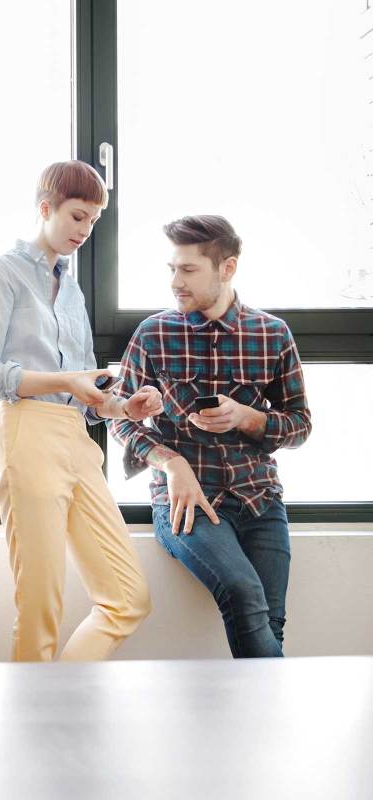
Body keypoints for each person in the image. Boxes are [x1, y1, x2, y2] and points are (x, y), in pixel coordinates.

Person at [0, 160, 159, 662]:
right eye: (76, 216)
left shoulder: (71, 291)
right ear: (45, 208)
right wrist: (64, 381)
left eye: (92, 221)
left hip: (76, 440)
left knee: (127, 598)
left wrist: (124, 406)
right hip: (26, 434)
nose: (84, 230)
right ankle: (35, 729)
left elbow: (86, 392)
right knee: (40, 606)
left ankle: (61, 700)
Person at [110, 215, 311, 658]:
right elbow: (117, 418)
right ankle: (271, 720)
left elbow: (300, 425)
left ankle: (253, 722)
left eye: (188, 270)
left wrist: (248, 417)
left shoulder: (273, 334)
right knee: (243, 593)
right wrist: (170, 461)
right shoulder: (154, 333)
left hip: (260, 498)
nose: (175, 282)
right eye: (172, 269)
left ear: (227, 268)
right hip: (187, 504)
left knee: (271, 621)